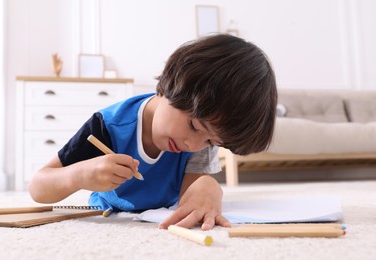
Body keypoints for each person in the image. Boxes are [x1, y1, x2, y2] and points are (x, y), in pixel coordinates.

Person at [28, 33, 277, 230]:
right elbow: (38, 187)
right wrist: (78, 175)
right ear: (168, 87)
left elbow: (188, 200)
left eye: (211, 141)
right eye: (193, 126)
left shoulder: (202, 137)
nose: (194, 144)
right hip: (111, 215)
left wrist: (207, 186)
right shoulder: (108, 125)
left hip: (157, 216)